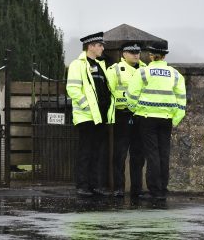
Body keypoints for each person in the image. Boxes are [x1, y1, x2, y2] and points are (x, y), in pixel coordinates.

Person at [126, 43, 186, 201]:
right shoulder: (175, 74)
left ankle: (154, 191)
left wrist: (135, 110)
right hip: (166, 119)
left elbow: (131, 95)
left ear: (151, 56)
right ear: (164, 56)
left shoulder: (143, 72)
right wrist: (176, 118)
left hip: (146, 118)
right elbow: (181, 99)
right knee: (163, 154)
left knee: (152, 154)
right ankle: (162, 188)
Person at [66, 32, 115, 197]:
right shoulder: (77, 65)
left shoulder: (99, 65)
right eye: (100, 45)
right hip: (86, 116)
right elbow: (72, 89)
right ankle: (82, 185)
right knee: (85, 152)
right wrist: (87, 107)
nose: (102, 48)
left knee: (97, 152)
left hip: (100, 116)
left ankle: (95, 185)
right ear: (91, 46)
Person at [106, 43, 147, 198]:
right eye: (132, 52)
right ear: (124, 54)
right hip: (122, 115)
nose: (136, 55)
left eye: (138, 52)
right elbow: (109, 91)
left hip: (140, 115)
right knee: (119, 154)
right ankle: (119, 188)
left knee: (138, 155)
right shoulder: (115, 70)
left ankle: (137, 189)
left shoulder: (146, 69)